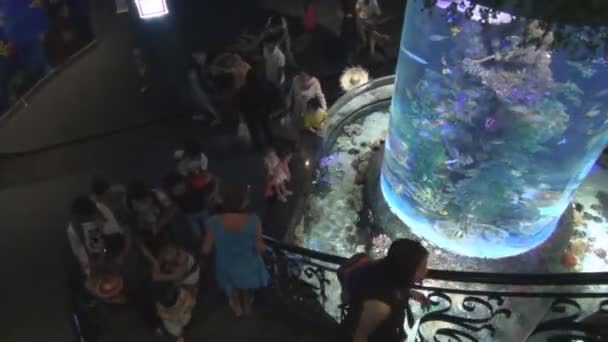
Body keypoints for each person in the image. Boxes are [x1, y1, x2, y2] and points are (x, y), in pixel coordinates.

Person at [342, 239, 429, 342]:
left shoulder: (386, 272)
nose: (426, 271)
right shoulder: (380, 306)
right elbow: (359, 336)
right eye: (422, 267)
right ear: (407, 269)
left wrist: (410, 293)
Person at [202, 183, 269, 317]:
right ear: (244, 202)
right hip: (248, 264)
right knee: (246, 286)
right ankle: (247, 305)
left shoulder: (213, 221)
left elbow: (206, 249)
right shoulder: (254, 221)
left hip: (226, 264)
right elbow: (260, 248)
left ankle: (236, 306)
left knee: (232, 287)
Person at [67, 196, 128, 303]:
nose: (91, 219)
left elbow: (101, 245)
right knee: (91, 281)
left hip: (102, 251)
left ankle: (114, 289)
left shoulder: (94, 217)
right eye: (88, 218)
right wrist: (92, 267)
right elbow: (82, 254)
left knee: (114, 268)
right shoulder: (73, 231)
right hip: (87, 258)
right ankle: (107, 297)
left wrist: (103, 256)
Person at [127, 180, 176, 268]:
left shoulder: (158, 195)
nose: (141, 203)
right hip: (144, 229)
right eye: (138, 201)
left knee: (168, 245)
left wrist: (159, 224)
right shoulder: (129, 201)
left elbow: (171, 209)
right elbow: (140, 244)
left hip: (161, 226)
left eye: (144, 200)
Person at [163, 170, 217, 243]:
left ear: (183, 182)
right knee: (197, 235)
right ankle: (204, 245)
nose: (177, 190)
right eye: (174, 189)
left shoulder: (195, 183)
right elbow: (172, 206)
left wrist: (214, 193)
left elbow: (213, 178)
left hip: (202, 212)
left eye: (178, 187)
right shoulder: (173, 194)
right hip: (190, 216)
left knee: (210, 230)